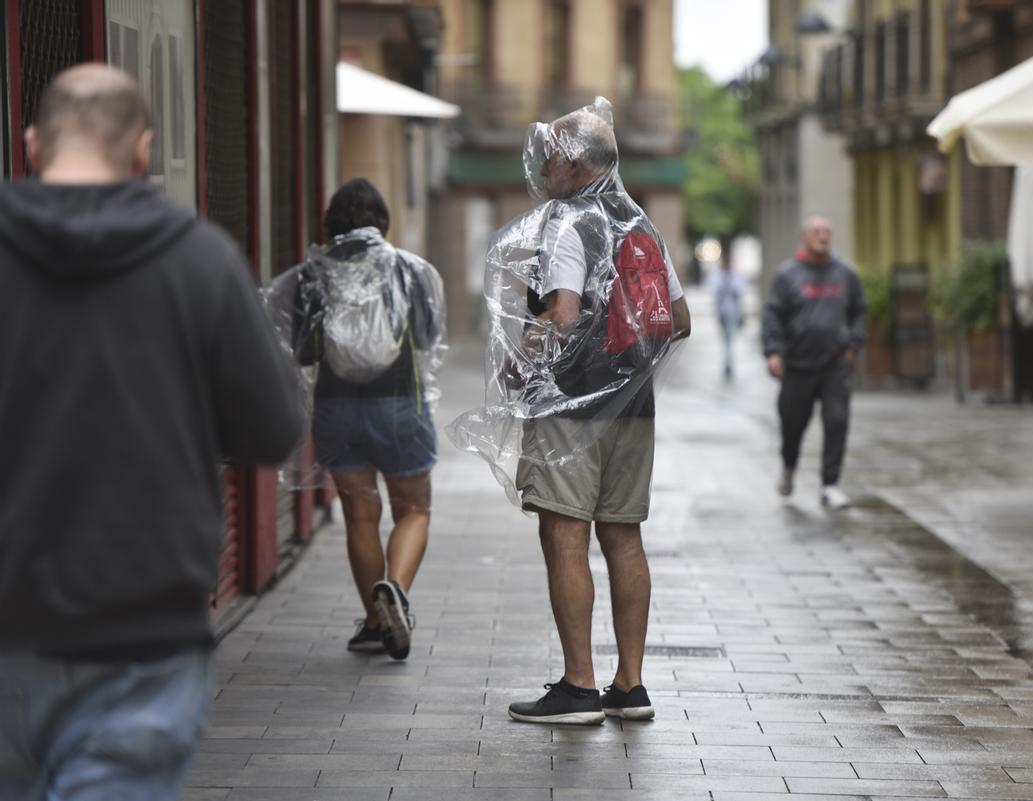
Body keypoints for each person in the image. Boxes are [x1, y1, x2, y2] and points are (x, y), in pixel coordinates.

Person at [0, 65, 304, 801]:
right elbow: (273, 429)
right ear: (143, 149)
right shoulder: (200, 262)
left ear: (33, 143)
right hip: (143, 638)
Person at [477, 101, 691, 725]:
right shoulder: (640, 224)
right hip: (633, 411)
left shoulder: (568, 223)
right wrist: (626, 370)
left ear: (573, 161)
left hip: (571, 409)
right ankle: (630, 686)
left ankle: (577, 687)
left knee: (564, 533)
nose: (542, 165)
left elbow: (564, 315)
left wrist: (521, 348)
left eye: (548, 154)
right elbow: (678, 320)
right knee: (623, 537)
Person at [287, 178, 445, 661]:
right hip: (399, 405)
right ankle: (394, 588)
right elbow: (427, 335)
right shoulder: (409, 270)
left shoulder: (311, 275)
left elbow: (303, 348)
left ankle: (375, 623)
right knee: (413, 509)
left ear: (330, 222)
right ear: (382, 222)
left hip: (337, 409)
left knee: (360, 515)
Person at [762, 216, 866, 510]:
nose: (823, 237)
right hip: (797, 364)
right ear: (804, 238)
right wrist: (773, 352)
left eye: (827, 232)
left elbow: (859, 311)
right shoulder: (788, 275)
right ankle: (789, 466)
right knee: (792, 424)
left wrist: (853, 345)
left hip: (834, 364)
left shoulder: (845, 273)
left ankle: (830, 485)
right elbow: (773, 316)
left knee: (837, 421)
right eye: (817, 232)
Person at [710, 254, 745, 379]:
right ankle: (727, 363)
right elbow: (715, 292)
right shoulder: (718, 277)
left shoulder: (736, 276)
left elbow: (739, 293)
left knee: (729, 340)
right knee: (725, 340)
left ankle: (728, 364)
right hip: (723, 313)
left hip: (732, 313)